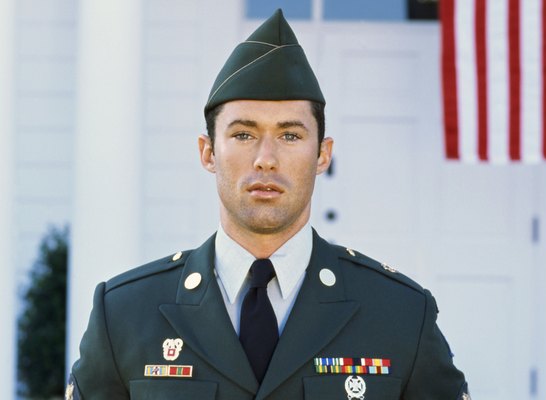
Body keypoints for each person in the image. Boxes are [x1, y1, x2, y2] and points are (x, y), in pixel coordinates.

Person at [67, 9, 468, 400]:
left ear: (323, 155)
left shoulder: (399, 314)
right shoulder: (125, 314)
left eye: (290, 136)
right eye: (243, 134)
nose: (265, 157)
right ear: (207, 153)